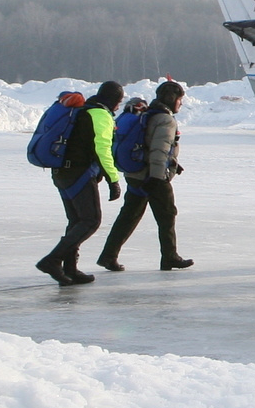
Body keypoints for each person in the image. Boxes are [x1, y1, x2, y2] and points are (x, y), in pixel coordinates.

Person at [99, 82, 191, 272]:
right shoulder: (165, 119)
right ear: (172, 99)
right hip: (152, 177)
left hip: (136, 174)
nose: (180, 104)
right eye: (180, 99)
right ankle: (169, 257)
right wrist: (157, 178)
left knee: (129, 216)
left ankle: (108, 255)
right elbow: (160, 150)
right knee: (167, 215)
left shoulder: (148, 114)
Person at [40, 81, 123, 286]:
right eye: (118, 102)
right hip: (78, 174)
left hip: (61, 172)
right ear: (113, 100)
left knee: (76, 221)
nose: (118, 107)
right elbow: (102, 150)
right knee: (90, 220)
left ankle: (70, 269)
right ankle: (52, 260)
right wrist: (113, 179)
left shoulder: (82, 111)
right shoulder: (100, 115)